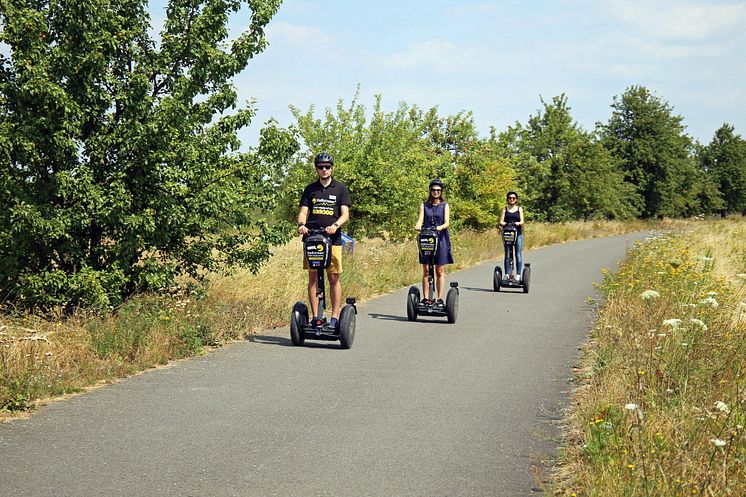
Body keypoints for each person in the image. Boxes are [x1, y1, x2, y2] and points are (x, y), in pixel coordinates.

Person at [297, 152, 351, 330]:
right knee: (313, 276)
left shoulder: (340, 189)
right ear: (316, 169)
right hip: (311, 237)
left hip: (332, 239)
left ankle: (334, 317)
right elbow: (304, 211)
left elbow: (345, 214)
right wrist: (301, 224)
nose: (324, 170)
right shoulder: (310, 189)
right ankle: (315, 317)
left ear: (332, 168)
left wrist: (335, 225)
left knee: (333, 276)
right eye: (321, 167)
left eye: (327, 167)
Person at [414, 179, 454, 307]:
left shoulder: (445, 205)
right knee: (426, 269)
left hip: (441, 238)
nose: (436, 192)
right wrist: (418, 225)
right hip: (427, 238)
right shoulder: (424, 205)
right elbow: (420, 220)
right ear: (430, 191)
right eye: (433, 190)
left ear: (441, 192)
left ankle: (440, 299)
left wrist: (440, 227)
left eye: (438, 190)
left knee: (439, 270)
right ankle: (425, 298)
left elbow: (447, 222)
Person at [498, 190, 524, 281]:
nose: (511, 199)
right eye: (510, 198)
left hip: (518, 234)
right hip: (507, 233)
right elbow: (501, 221)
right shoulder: (505, 209)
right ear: (507, 199)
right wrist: (505, 223)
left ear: (516, 199)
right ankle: (507, 274)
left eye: (513, 198)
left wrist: (517, 223)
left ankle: (518, 275)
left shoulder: (519, 209)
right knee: (507, 254)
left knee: (518, 254)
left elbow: (522, 221)